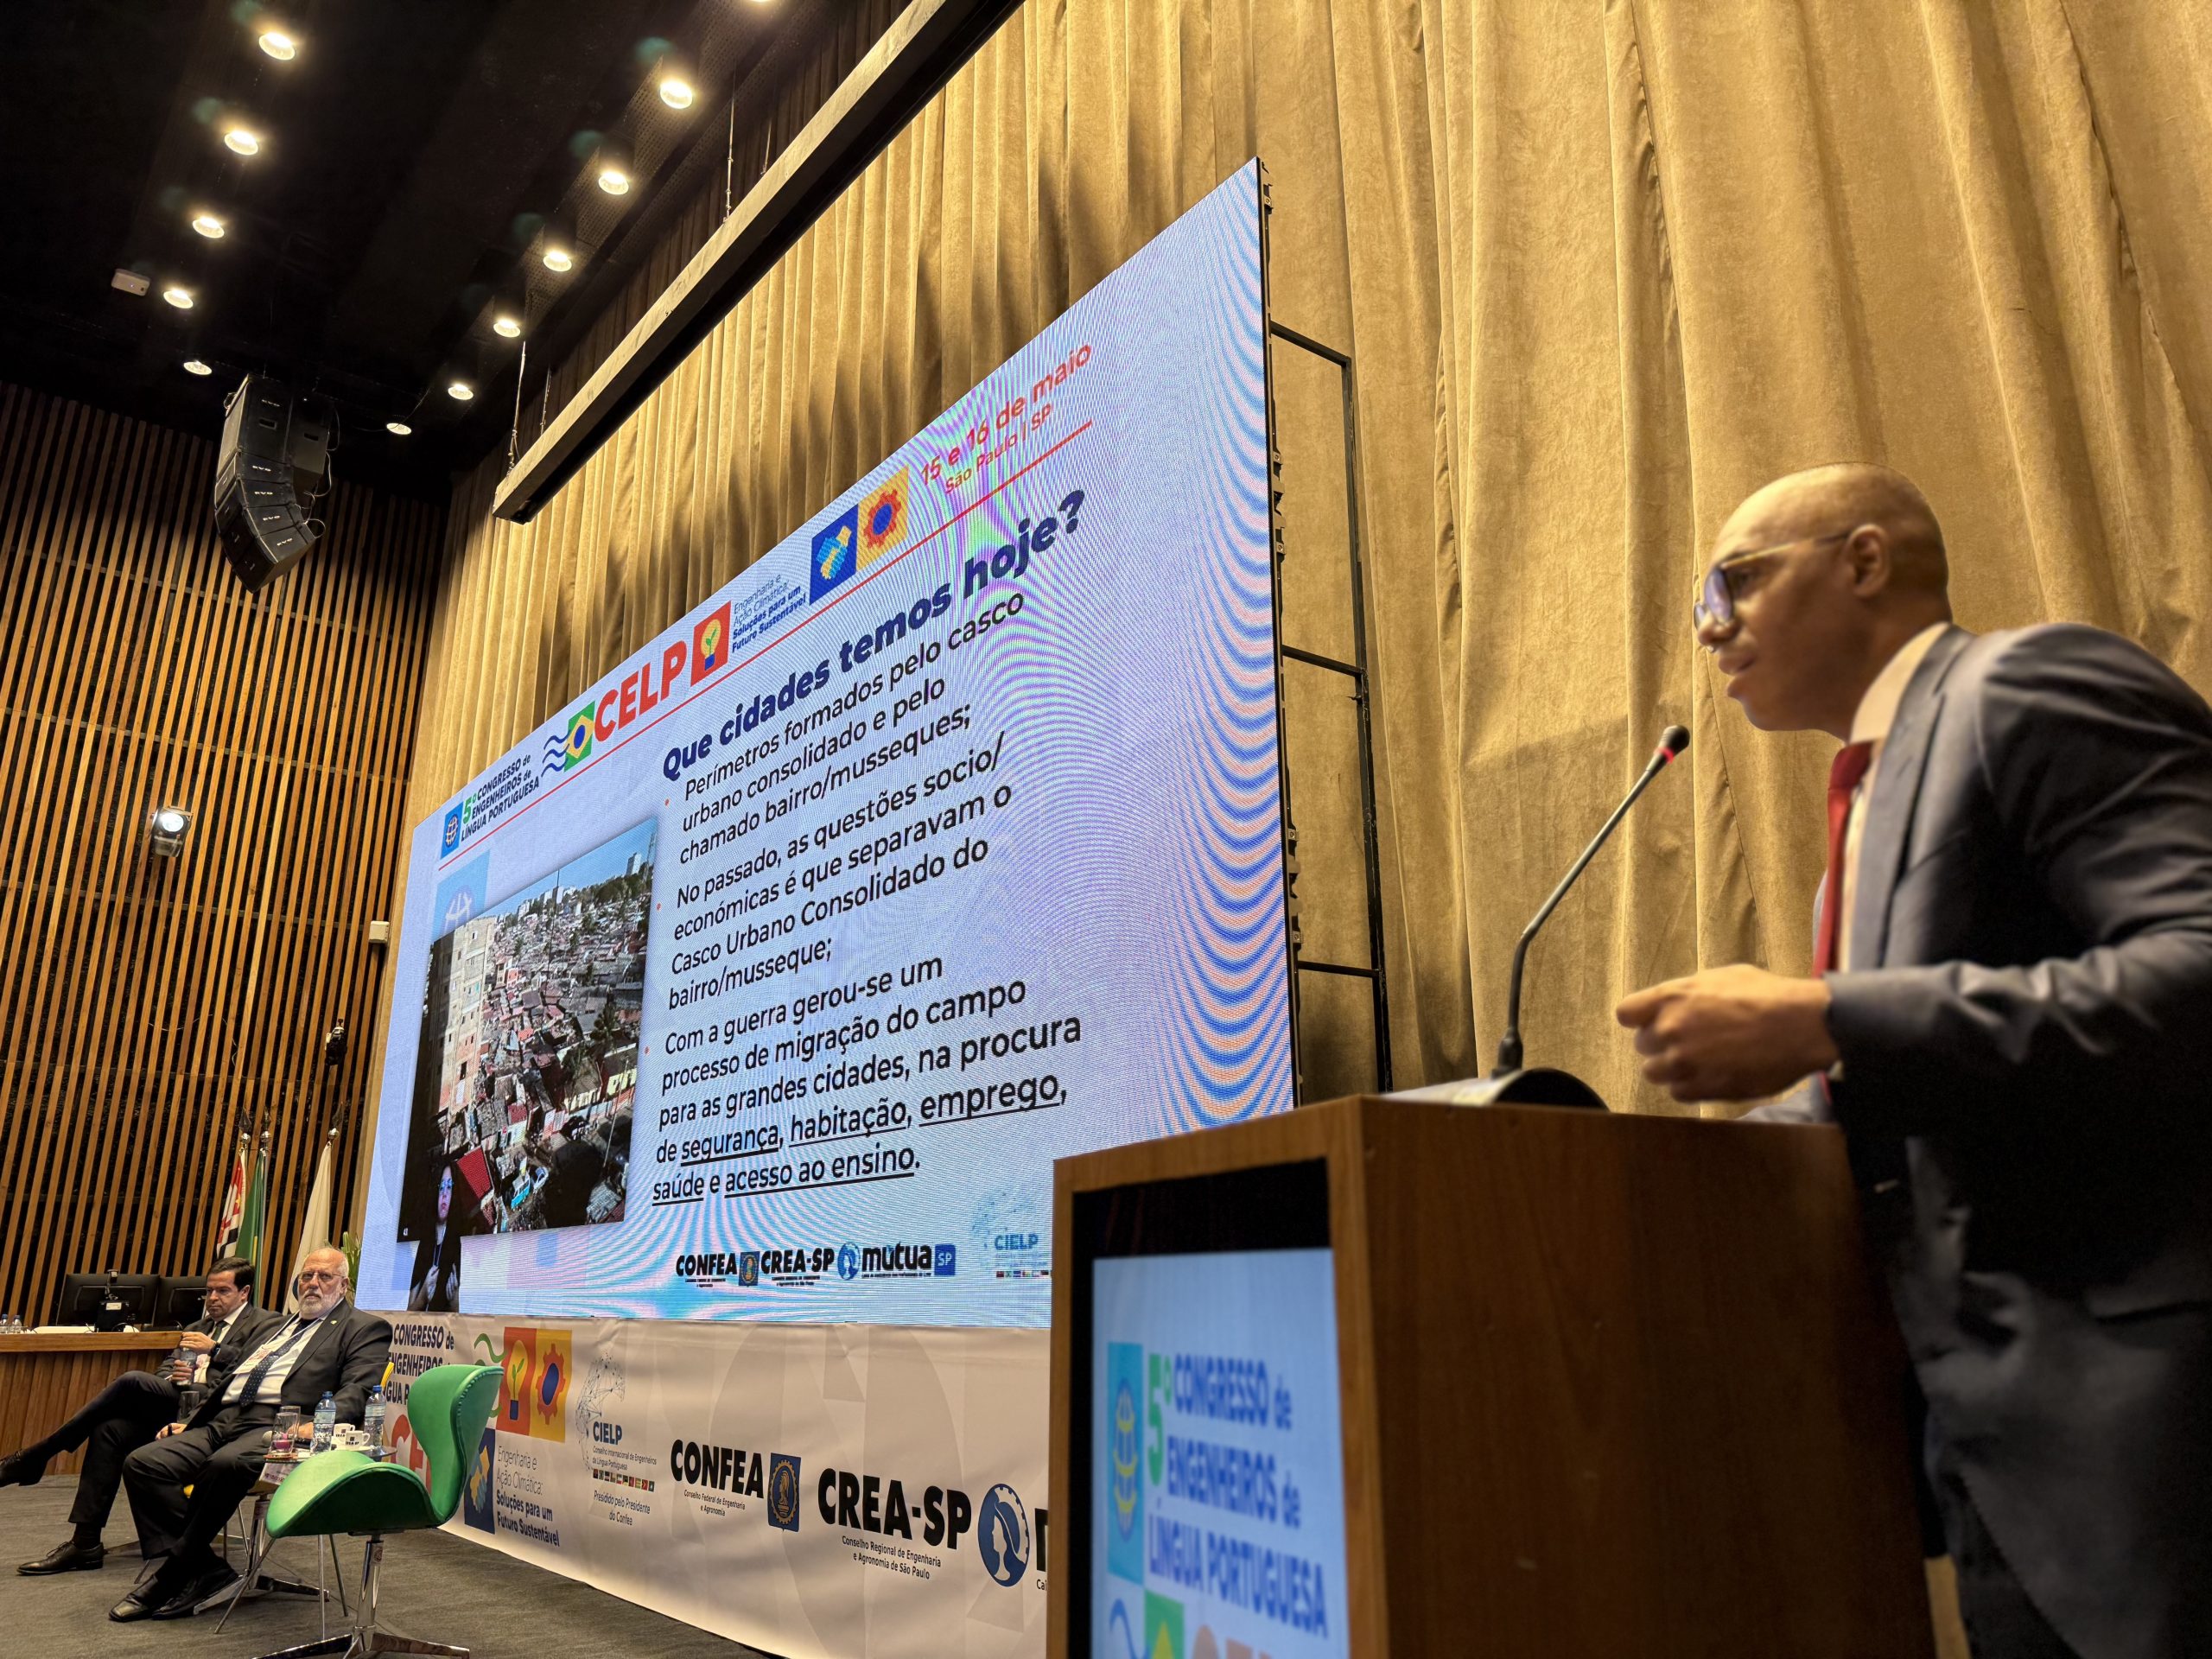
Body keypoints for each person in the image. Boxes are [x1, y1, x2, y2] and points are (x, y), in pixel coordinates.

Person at [1614, 463, 2212, 1659]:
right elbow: (1908, 1091)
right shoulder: (1869, 809)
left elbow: (2195, 966)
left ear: (1865, 561)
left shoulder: (2027, 686)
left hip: (2147, 1428)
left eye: (1733, 584)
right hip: (1985, 1452)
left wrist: (1830, 1016)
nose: (1710, 629)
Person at [110, 1245, 391, 1621]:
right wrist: (192, 1420)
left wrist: (318, 1422)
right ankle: (207, 1569)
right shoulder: (277, 1326)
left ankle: (171, 1576)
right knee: (144, 1463)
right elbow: (232, 1376)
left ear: (344, 1285)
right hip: (225, 1418)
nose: (313, 1284)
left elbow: (360, 1388)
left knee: (225, 1464)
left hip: (280, 1425)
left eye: (325, 1277)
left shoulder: (364, 1327)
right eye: (307, 1276)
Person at [0, 1256, 278, 1575]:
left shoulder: (265, 1324)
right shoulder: (195, 1327)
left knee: (130, 1381)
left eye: (223, 1291)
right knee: (110, 1429)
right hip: (177, 1403)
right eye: (209, 1291)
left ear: (244, 1293)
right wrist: (175, 1376)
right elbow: (162, 1373)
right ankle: (85, 1542)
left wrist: (214, 1350)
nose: (213, 1298)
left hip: (218, 1417)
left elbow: (256, 1372)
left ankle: (37, 1455)